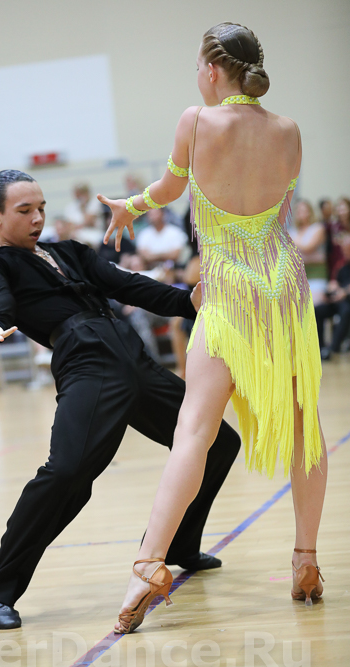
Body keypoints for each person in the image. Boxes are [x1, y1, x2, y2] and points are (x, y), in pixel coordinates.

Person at [98, 22, 327, 634]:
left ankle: (148, 565)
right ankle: (306, 561)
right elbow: (277, 213)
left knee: (194, 430)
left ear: (210, 69)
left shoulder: (197, 121)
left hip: (229, 292)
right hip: (284, 288)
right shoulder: (289, 130)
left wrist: (129, 207)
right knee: (305, 427)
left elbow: (171, 188)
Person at [0, 169, 241, 630]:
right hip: (87, 362)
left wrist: (188, 302)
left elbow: (127, 285)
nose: (37, 218)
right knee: (67, 473)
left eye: (41, 208)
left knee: (220, 442)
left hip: (131, 355)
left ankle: (178, 545)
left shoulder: (70, 251)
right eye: (24, 210)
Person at [314, 232, 350, 359]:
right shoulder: (341, 266)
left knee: (346, 311)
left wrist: (344, 292)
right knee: (317, 310)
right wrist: (329, 291)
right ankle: (321, 347)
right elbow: (334, 282)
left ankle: (334, 348)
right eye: (344, 249)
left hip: (347, 302)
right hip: (338, 301)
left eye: (347, 248)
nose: (345, 251)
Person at [289, 200, 326, 304]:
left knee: (313, 305)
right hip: (297, 277)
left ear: (310, 212)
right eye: (298, 211)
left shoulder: (317, 228)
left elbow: (309, 248)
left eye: (303, 210)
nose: (300, 213)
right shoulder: (293, 231)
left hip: (316, 275)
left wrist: (291, 240)